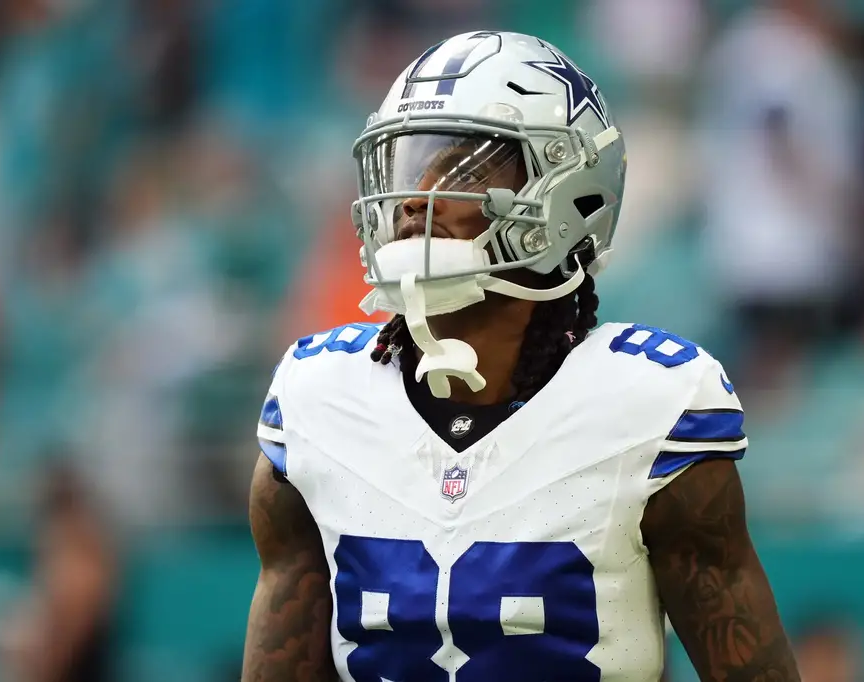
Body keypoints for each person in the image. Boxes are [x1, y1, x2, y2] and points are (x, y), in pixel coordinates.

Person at [242, 31, 800, 682]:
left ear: (570, 191)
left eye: (466, 169)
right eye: (408, 165)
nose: (417, 197)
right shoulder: (319, 400)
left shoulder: (647, 406)